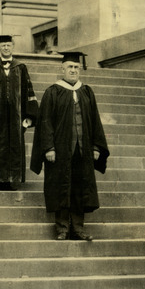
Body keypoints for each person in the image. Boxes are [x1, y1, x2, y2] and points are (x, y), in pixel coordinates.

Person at [30, 52, 110, 241]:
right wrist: (48, 147)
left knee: (80, 188)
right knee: (61, 187)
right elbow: (46, 122)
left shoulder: (87, 91)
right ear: (62, 69)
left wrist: (96, 147)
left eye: (76, 67)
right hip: (59, 150)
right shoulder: (53, 92)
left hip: (82, 150)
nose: (73, 70)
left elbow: (95, 121)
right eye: (70, 67)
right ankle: (62, 228)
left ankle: (78, 229)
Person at [0, 35, 39, 190]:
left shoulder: (21, 67)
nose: (5, 48)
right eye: (3, 45)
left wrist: (29, 116)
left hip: (16, 118)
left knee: (14, 147)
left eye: (8, 45)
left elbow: (28, 91)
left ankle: (10, 180)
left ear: (13, 46)